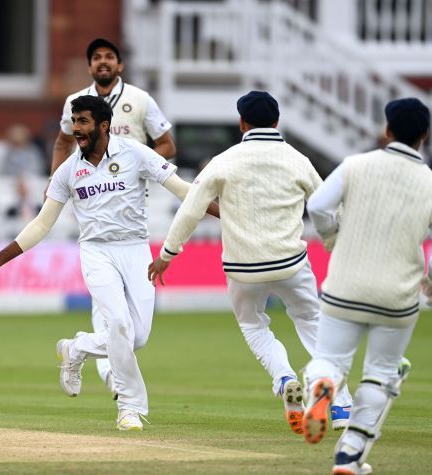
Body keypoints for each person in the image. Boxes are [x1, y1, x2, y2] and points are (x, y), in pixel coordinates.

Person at [0, 95, 211, 430]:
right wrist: (0, 259)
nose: (76, 129)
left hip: (136, 250)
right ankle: (130, 408)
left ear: (103, 125)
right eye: (74, 121)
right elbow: (42, 223)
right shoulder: (68, 170)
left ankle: (76, 348)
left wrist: (228, 215)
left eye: (83, 121)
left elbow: (185, 191)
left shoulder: (134, 152)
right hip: (96, 252)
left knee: (136, 338)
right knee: (118, 324)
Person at [148, 91, 353, 436]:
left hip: (243, 269)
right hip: (291, 263)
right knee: (313, 323)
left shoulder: (224, 160)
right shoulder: (297, 159)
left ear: (242, 123)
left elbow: (191, 210)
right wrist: (336, 241)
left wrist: (167, 255)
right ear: (276, 122)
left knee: (255, 326)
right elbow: (325, 206)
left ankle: (284, 377)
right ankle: (343, 407)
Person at [301, 98, 432, 475]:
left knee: (329, 359)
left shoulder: (356, 165)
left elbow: (319, 206)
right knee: (382, 371)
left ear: (387, 130)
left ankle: (323, 383)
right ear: (424, 136)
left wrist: (331, 238)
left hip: (345, 286)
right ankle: (349, 454)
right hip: (398, 296)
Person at [51, 38, 177, 398]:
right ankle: (115, 379)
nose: (103, 62)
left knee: (133, 327)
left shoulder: (140, 99)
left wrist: (135, 163)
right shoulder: (74, 102)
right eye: (96, 58)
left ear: (119, 66)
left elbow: (167, 143)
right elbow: (62, 144)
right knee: (106, 301)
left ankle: (79, 350)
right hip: (91, 197)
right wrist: (58, 183)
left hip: (133, 200)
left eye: (109, 57)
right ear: (90, 66)